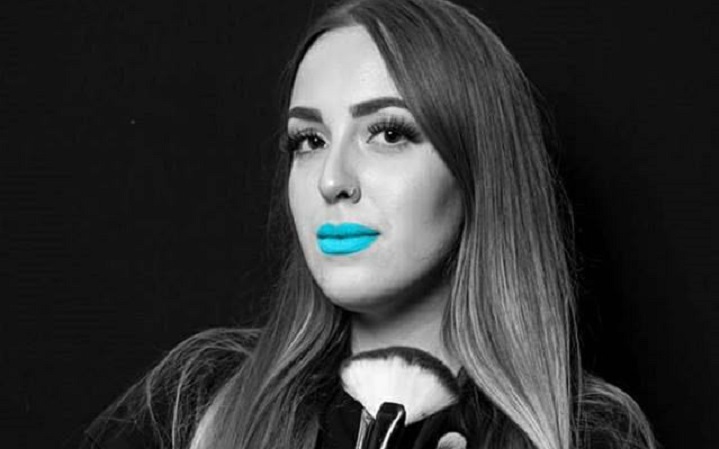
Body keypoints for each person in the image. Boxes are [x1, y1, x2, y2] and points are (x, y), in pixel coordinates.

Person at [82, 0, 657, 448]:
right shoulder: (201, 400)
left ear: (478, 170)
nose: (332, 180)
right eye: (309, 141)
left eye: (388, 133)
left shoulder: (587, 435)